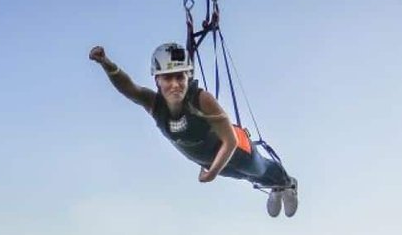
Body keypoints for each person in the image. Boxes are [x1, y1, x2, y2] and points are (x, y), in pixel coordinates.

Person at [90, 42, 298, 217]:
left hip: (237, 151)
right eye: (167, 78)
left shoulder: (201, 99)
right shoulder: (154, 104)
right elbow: (130, 88)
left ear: (188, 77)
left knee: (258, 169)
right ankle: (276, 187)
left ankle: (287, 183)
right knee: (245, 177)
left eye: (180, 77)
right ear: (157, 80)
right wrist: (106, 63)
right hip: (210, 162)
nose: (175, 85)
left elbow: (230, 142)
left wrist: (211, 174)